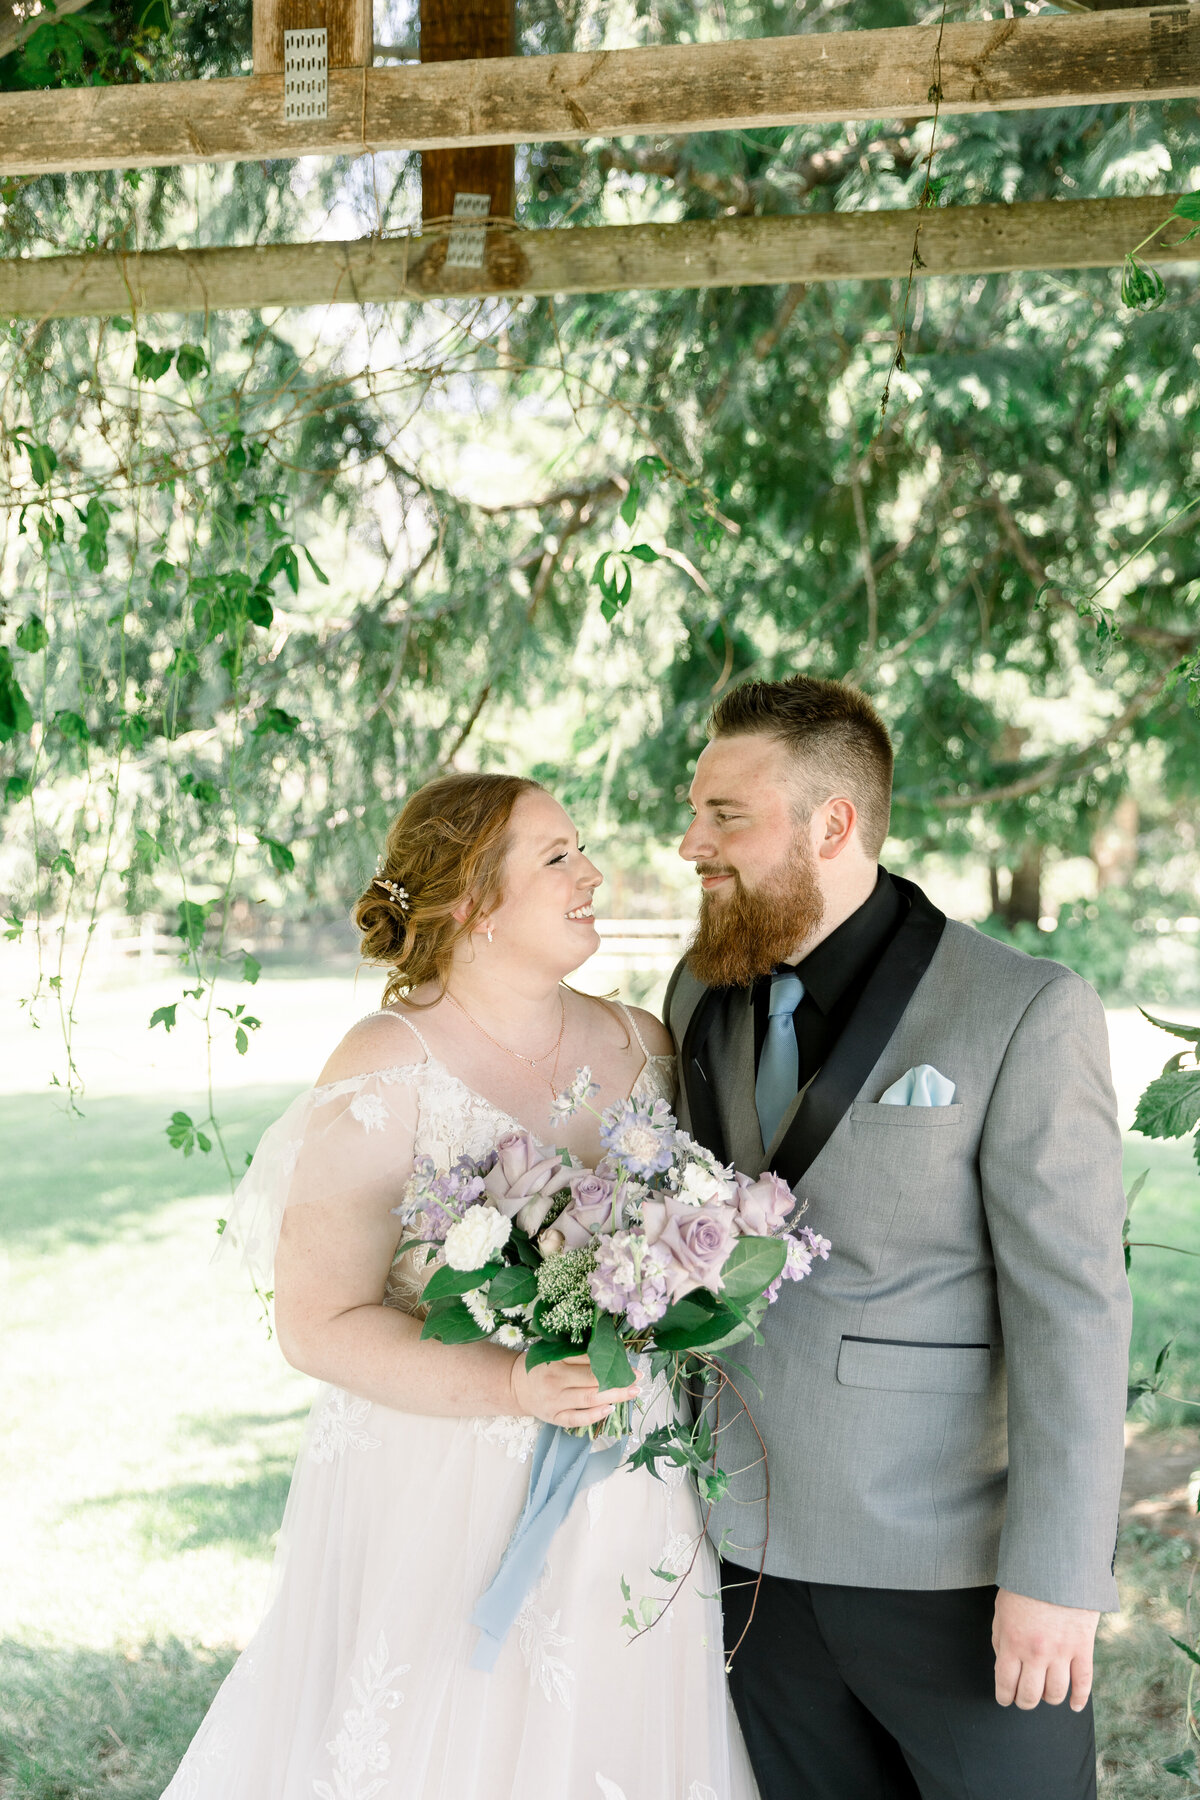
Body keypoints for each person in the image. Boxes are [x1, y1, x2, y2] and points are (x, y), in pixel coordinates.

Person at [162, 771, 757, 1800]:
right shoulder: (389, 1070)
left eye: (582, 851)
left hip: (628, 1485)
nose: (594, 874)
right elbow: (316, 1323)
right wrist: (513, 1385)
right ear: (473, 903)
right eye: (558, 858)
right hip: (441, 1493)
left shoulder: (643, 1044)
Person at [663, 675, 1131, 1800]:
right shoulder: (696, 993)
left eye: (727, 815)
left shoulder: (1020, 1008)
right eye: (696, 813)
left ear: (834, 824)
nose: (692, 844)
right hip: (745, 1560)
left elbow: (1073, 1310)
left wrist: (1058, 1578)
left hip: (955, 1579)